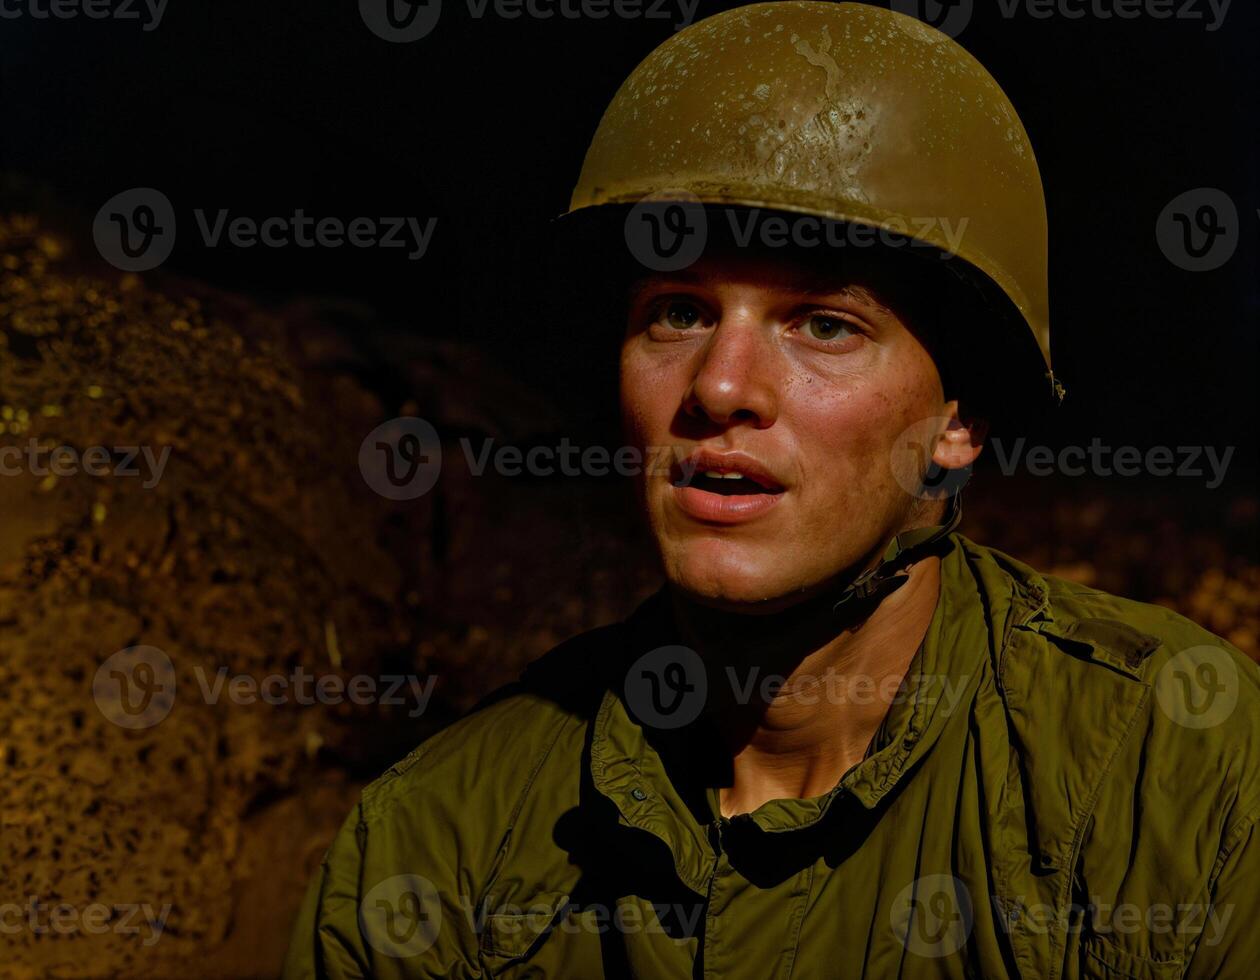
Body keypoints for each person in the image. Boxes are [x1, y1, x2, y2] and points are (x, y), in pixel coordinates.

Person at [282, 3, 1258, 977]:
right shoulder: (442, 844)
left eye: (825, 324)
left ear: (958, 421)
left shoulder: (1167, 768)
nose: (718, 385)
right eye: (677, 311)